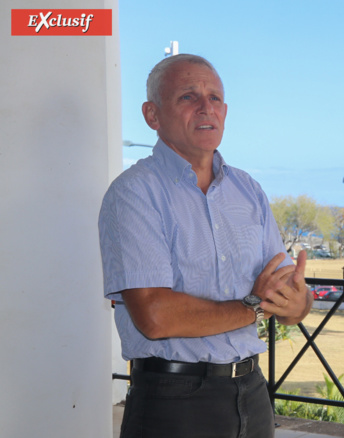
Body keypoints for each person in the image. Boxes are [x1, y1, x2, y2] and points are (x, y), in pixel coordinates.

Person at [98, 54, 313, 438]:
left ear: (225, 112)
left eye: (215, 98)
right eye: (188, 96)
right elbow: (155, 316)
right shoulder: (134, 193)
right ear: (152, 115)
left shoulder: (248, 191)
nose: (206, 107)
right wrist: (253, 306)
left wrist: (298, 304)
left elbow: (286, 297)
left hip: (253, 394)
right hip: (174, 402)